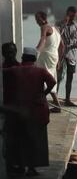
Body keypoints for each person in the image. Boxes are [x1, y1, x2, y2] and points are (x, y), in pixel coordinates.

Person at [3, 46, 56, 176]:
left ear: (23, 58)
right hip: (38, 111)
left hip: (20, 112)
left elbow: (3, 72)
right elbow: (53, 82)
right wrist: (44, 93)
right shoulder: (41, 71)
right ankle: (32, 168)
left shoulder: (15, 70)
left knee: (21, 140)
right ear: (34, 58)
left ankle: (20, 166)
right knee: (36, 140)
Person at [35, 11, 63, 112]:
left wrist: (36, 51)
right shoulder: (56, 29)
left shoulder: (44, 27)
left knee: (40, 79)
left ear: (43, 18)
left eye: (37, 18)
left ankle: (41, 104)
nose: (36, 21)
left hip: (46, 56)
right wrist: (59, 59)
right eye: (35, 19)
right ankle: (57, 105)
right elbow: (62, 46)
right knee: (51, 79)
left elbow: (43, 39)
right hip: (54, 57)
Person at [56, 6, 77, 107]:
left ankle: (67, 99)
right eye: (71, 16)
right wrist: (65, 24)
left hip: (72, 56)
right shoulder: (59, 24)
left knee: (70, 78)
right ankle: (56, 99)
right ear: (67, 14)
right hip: (61, 55)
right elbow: (57, 37)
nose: (72, 18)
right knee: (58, 78)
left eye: (74, 16)